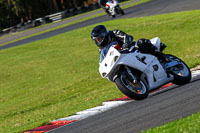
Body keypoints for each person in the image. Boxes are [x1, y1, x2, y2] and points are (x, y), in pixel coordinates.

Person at [91, 25, 167, 63]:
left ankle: (162, 56)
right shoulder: (101, 49)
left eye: (99, 38)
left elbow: (125, 36)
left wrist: (125, 44)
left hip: (131, 48)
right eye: (97, 40)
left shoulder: (114, 33)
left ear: (104, 34)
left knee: (141, 42)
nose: (98, 41)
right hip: (122, 57)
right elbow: (106, 58)